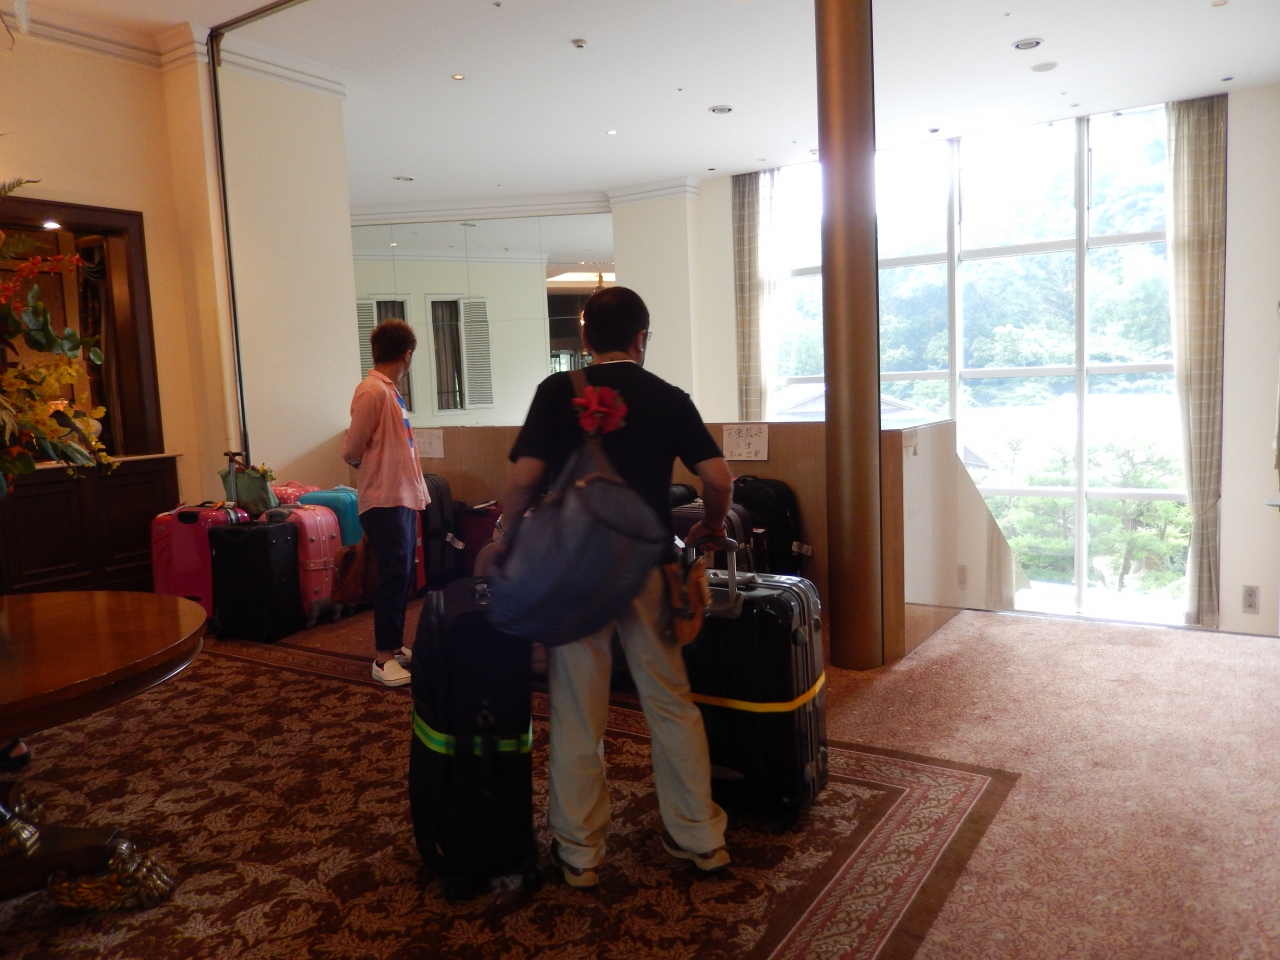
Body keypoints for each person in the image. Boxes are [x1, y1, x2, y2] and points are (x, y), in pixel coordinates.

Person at [500, 286, 734, 889]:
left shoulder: (558, 391)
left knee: (579, 709)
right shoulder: (669, 397)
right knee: (670, 702)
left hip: (575, 576)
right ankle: (700, 837)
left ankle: (581, 852)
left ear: (585, 340)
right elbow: (718, 477)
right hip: (648, 569)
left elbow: (524, 479)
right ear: (641, 338)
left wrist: (503, 535)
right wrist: (710, 525)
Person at [341, 319, 429, 687]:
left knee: (402, 574)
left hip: (401, 495)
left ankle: (393, 645)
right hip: (384, 497)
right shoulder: (372, 390)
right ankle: (382, 658)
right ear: (407, 355)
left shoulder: (389, 391)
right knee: (393, 575)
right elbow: (351, 449)